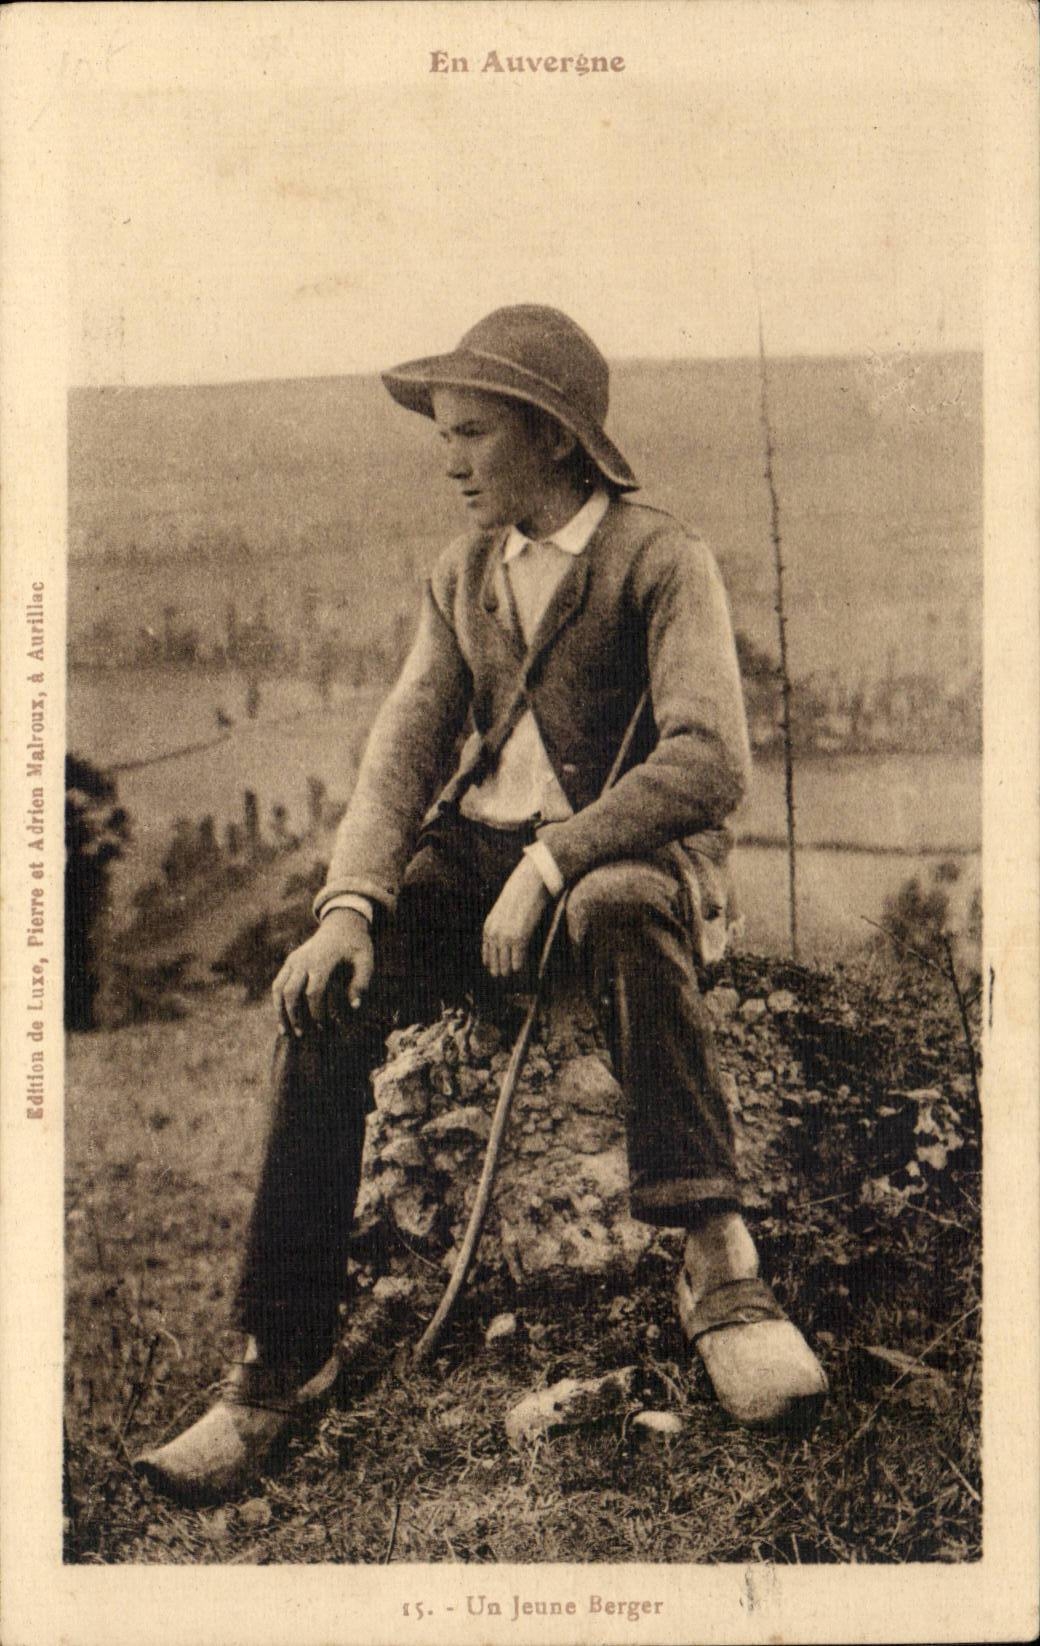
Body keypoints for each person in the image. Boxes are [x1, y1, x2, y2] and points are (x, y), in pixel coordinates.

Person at [135, 305, 826, 1501]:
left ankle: (718, 1264)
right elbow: (400, 753)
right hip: (479, 863)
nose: (449, 460)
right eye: (443, 435)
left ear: (554, 438)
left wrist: (553, 860)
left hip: (629, 866)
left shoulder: (660, 560)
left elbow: (710, 761)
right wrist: (347, 906)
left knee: (611, 902)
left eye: (473, 434)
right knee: (323, 994)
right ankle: (280, 1358)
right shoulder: (461, 576)